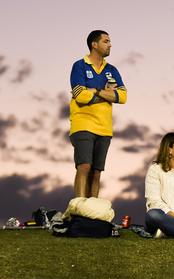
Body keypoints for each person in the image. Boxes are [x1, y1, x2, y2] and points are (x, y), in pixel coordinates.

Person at [69, 30, 127, 198]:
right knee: (84, 166)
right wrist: (107, 93)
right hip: (83, 123)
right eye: (106, 41)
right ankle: (80, 210)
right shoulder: (80, 65)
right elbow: (80, 95)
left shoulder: (111, 70)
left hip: (105, 127)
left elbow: (122, 96)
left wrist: (95, 90)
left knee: (96, 172)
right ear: (94, 44)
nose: (110, 44)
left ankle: (92, 215)